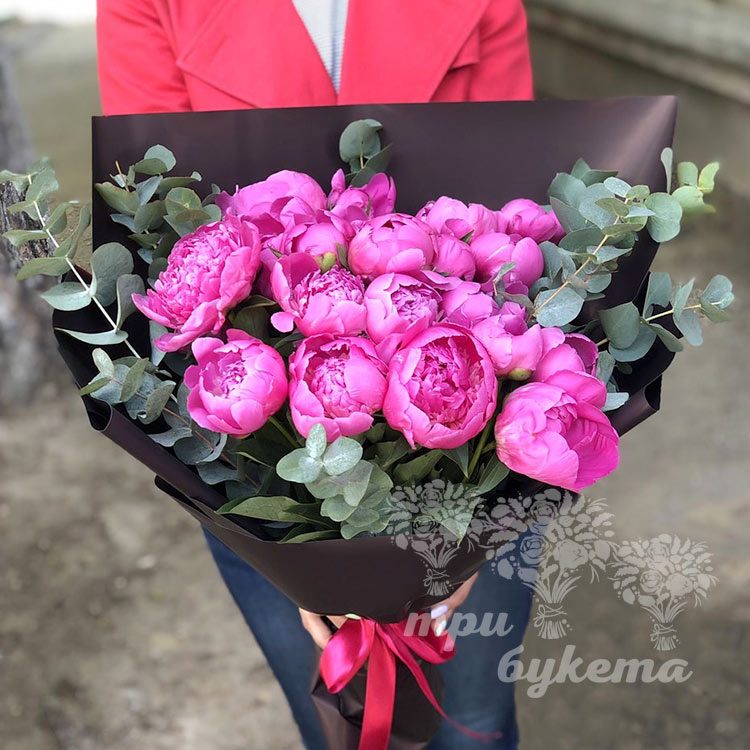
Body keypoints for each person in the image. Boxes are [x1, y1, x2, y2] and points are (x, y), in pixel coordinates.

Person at [96, 2, 535, 747]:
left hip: (477, 459)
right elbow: (161, 234)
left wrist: (478, 530)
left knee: (474, 726)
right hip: (260, 470)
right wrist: (307, 565)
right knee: (335, 725)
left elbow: (517, 237)